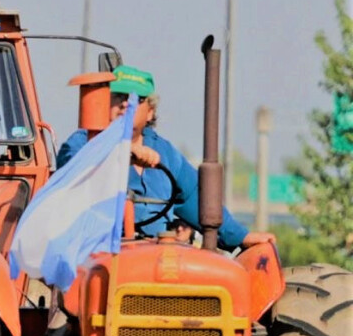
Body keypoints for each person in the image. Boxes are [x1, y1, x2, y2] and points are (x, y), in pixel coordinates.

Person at [56, 65, 275, 251]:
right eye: (118, 97)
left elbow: (198, 199)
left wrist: (240, 237)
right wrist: (124, 153)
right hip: (98, 252)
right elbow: (75, 167)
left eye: (135, 99)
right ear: (105, 103)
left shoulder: (165, 152)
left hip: (156, 253)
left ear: (150, 111)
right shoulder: (84, 141)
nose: (125, 104)